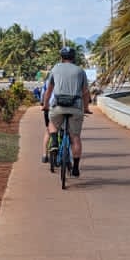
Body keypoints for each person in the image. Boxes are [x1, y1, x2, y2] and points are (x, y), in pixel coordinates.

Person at [43, 46, 91, 176]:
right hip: (75, 107)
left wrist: (45, 105)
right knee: (75, 137)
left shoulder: (55, 69)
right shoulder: (80, 71)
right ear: (74, 58)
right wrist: (86, 108)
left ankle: (54, 141)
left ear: (61, 57)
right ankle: (75, 168)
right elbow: (85, 92)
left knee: (52, 123)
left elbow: (49, 90)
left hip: (58, 106)